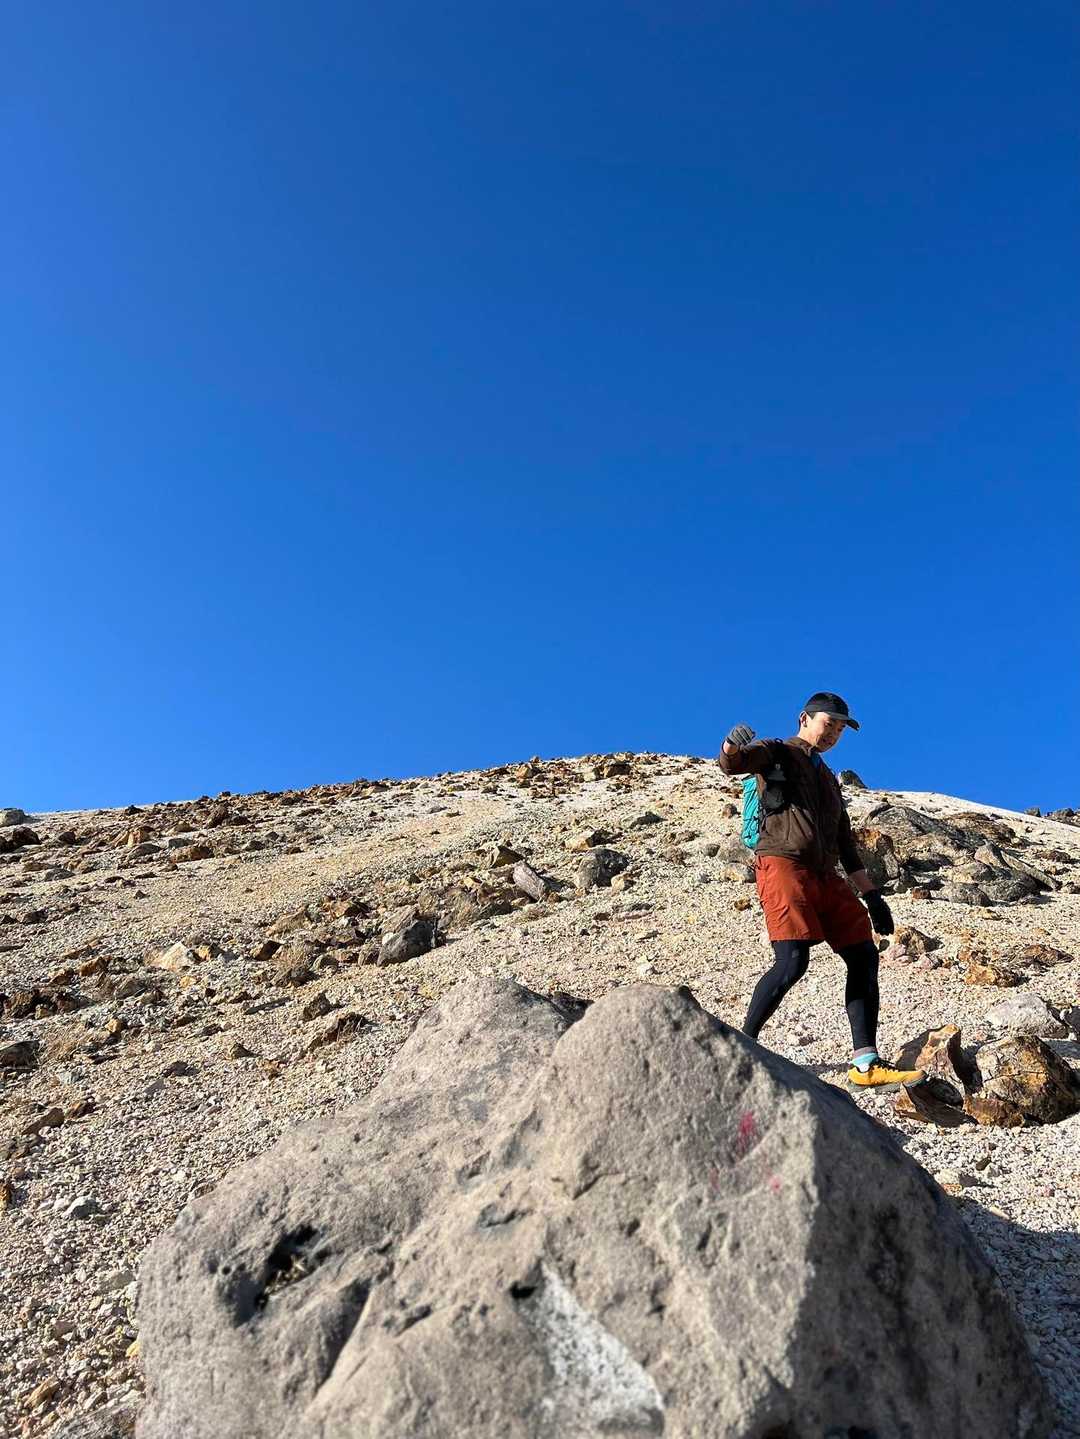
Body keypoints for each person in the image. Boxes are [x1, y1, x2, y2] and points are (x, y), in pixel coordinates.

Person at [717, 691, 921, 1090]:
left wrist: (872, 896)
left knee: (863, 956)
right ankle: (741, 1049)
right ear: (804, 719)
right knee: (792, 961)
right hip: (783, 865)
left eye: (840, 730)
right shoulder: (777, 752)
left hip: (825, 875)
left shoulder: (828, 778)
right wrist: (730, 744)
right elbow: (733, 764)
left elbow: (845, 842)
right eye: (829, 724)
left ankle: (865, 1063)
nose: (833, 734)